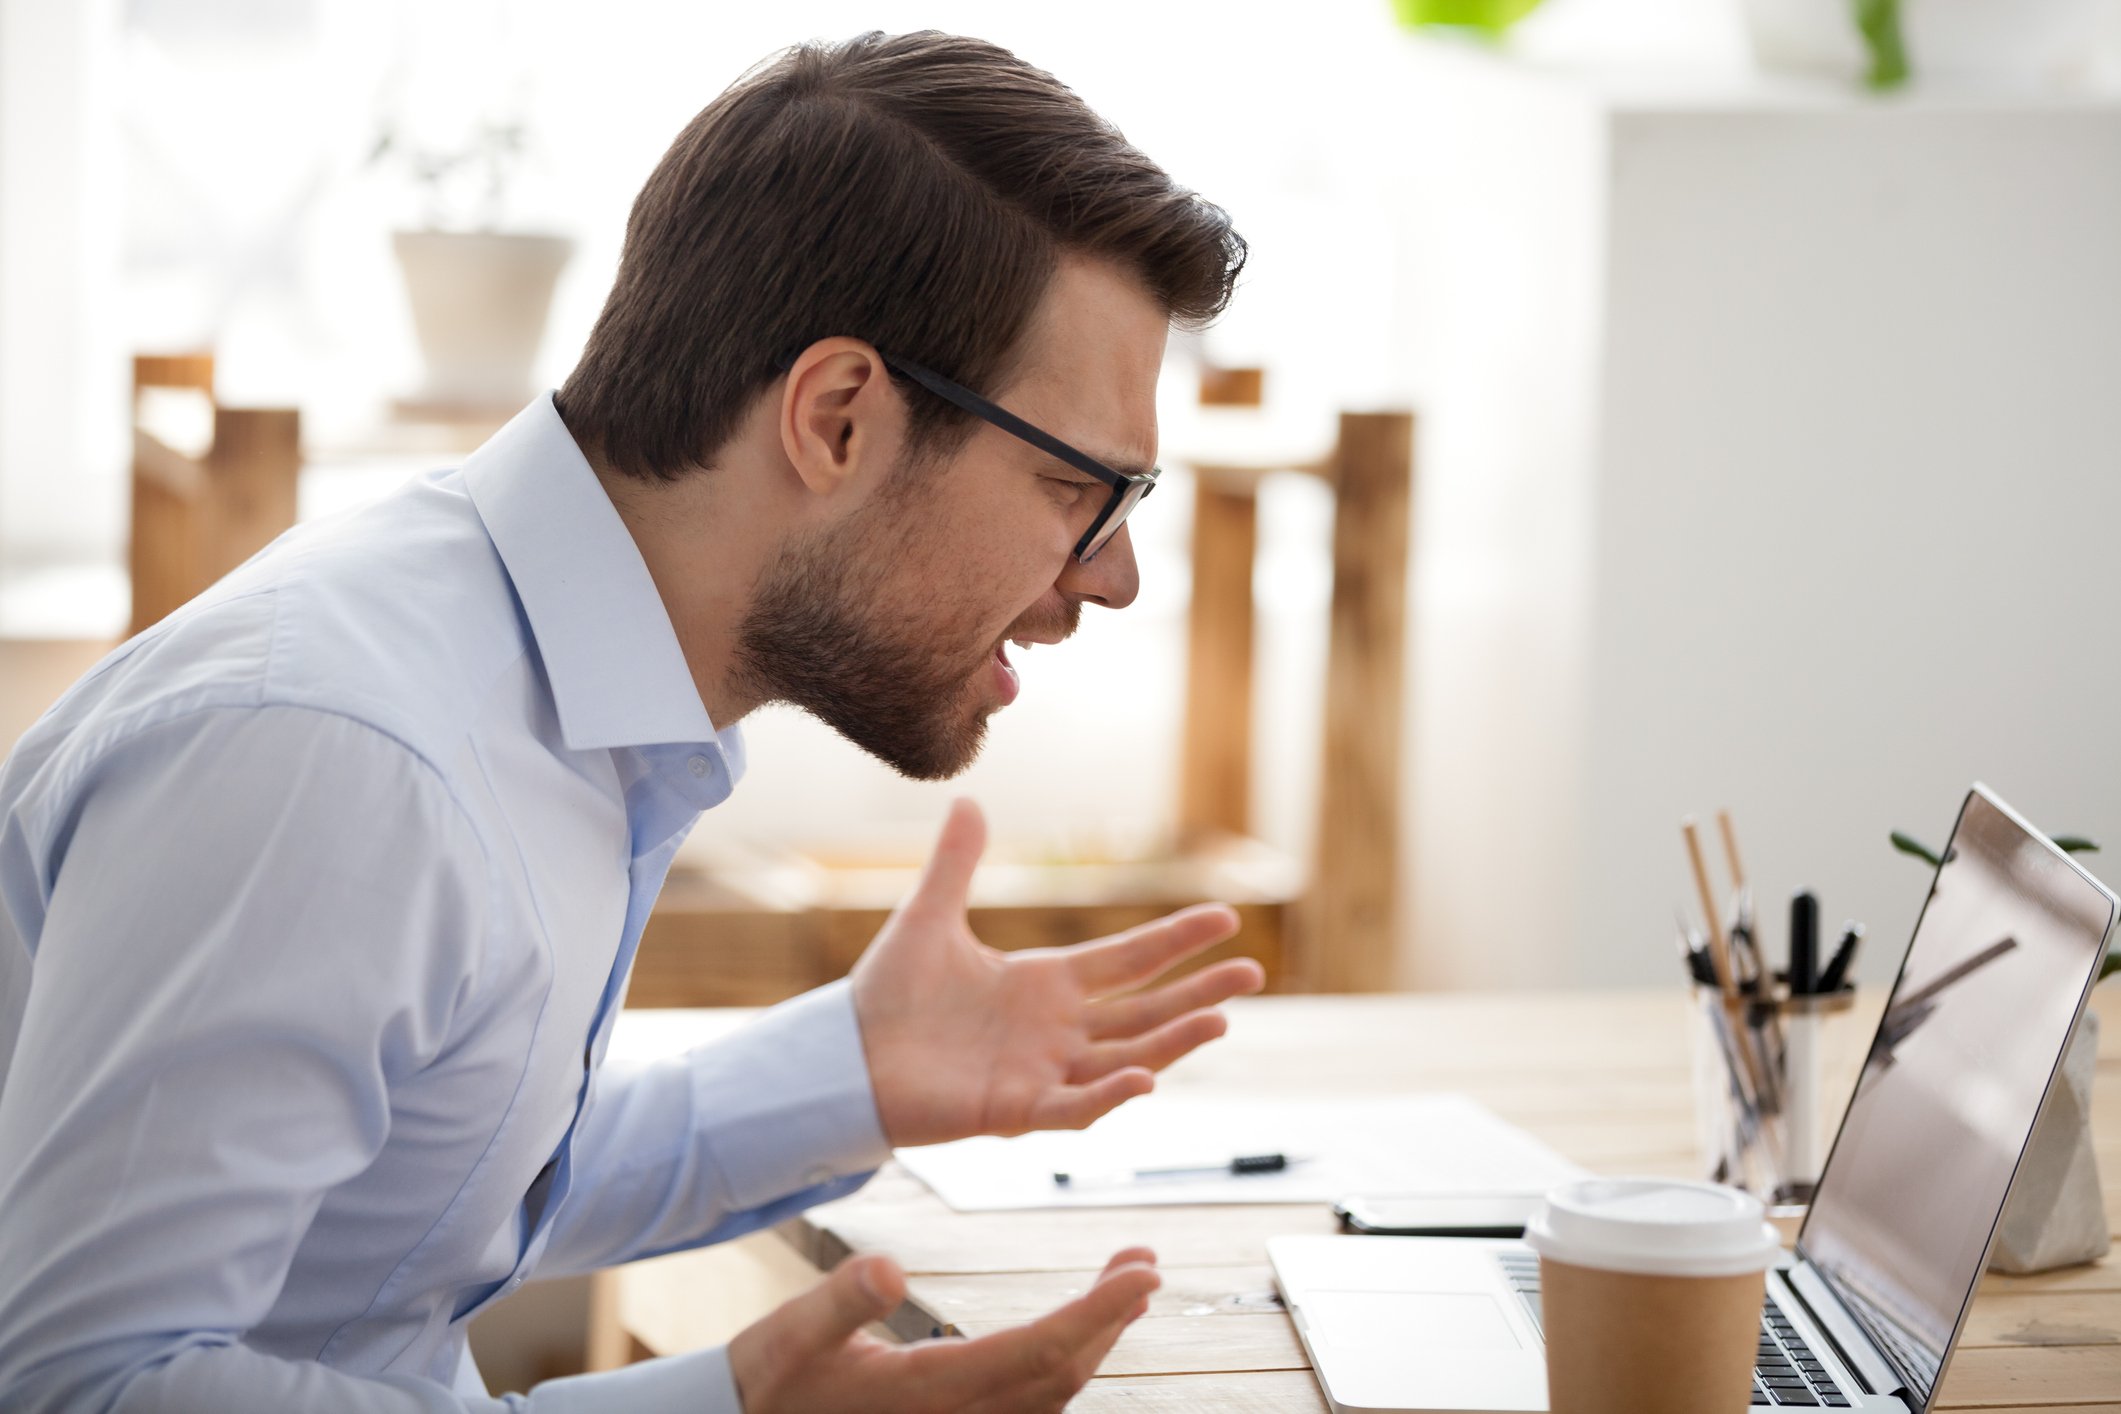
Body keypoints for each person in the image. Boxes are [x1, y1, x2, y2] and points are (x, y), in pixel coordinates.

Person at [0, 28, 1256, 1414]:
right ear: (836, 417)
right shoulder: (344, 756)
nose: (1113, 575)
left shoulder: (556, 698)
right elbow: (82, 1388)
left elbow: (421, 1189)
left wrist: (849, 1071)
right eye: (1080, 487)